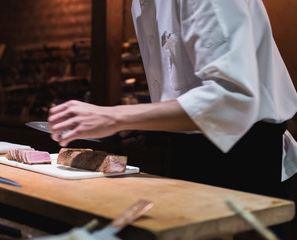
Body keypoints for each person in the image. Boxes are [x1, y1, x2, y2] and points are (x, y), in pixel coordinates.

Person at [48, 0, 297, 239]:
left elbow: (232, 98)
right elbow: (186, 89)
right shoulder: (140, 4)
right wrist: (147, 126)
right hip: (190, 158)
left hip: (249, 161)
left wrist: (114, 116)